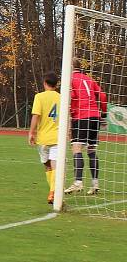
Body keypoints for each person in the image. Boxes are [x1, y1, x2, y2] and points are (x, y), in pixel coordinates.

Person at [64, 58, 108, 195]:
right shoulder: (89, 79)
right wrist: (104, 113)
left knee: (76, 148)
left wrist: (70, 114)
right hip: (95, 116)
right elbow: (102, 95)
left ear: (70, 67)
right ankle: (95, 184)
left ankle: (78, 182)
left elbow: (70, 97)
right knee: (91, 150)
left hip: (81, 116)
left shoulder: (70, 80)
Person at [28, 71, 61, 205]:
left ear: (45, 83)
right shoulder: (61, 97)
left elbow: (36, 115)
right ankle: (53, 191)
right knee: (53, 167)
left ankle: (52, 192)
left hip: (43, 138)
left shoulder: (39, 97)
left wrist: (31, 132)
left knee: (48, 166)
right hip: (57, 137)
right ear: (56, 84)